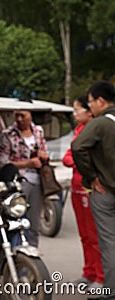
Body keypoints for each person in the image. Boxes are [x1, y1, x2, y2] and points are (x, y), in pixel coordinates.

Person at [72, 80, 115, 299]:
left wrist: (92, 178)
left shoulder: (100, 124)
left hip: (105, 191)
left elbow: (77, 147)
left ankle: (110, 291)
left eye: (90, 102)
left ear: (100, 100)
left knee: (108, 243)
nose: (90, 108)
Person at [62, 95, 103, 289]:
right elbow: (68, 158)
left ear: (90, 111)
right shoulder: (78, 130)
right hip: (76, 188)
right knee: (85, 236)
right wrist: (77, 161)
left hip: (90, 189)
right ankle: (88, 273)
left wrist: (77, 161)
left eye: (78, 110)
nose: (75, 114)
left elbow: (88, 160)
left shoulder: (95, 131)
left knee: (96, 236)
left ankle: (101, 277)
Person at [0, 99, 49, 248]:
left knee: (34, 222)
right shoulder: (7, 134)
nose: (19, 119)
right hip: (17, 181)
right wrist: (27, 163)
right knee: (16, 221)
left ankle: (33, 254)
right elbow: (2, 163)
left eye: (23, 115)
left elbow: (44, 151)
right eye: (17, 115)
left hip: (37, 180)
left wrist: (44, 156)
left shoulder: (38, 131)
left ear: (30, 114)